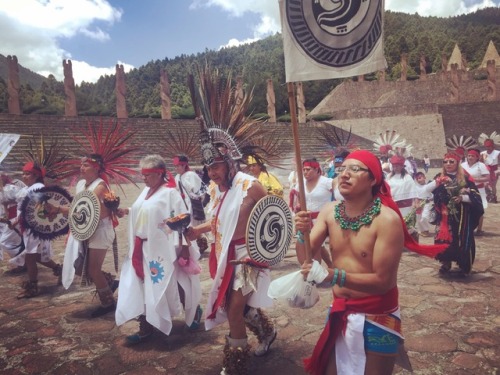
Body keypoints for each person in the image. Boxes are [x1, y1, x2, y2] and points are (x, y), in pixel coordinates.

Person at [295, 150, 446, 375]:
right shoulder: (329, 212)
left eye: (354, 169)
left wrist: (334, 275)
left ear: (373, 179)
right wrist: (301, 234)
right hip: (340, 309)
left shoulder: (386, 220)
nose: (344, 175)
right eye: (342, 169)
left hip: (378, 315)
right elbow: (306, 261)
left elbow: (383, 282)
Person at [184, 66, 279, 375]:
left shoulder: (250, 186)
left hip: (247, 256)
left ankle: (236, 363)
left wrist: (263, 254)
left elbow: (275, 223)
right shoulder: (215, 188)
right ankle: (265, 331)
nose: (212, 174)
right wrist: (193, 229)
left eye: (216, 167)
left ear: (228, 161)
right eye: (208, 169)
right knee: (233, 306)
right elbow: (218, 223)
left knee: (235, 308)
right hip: (223, 254)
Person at [115, 155, 202, 344]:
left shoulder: (170, 193)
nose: (143, 178)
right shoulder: (146, 191)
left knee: (175, 282)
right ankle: (146, 327)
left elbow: (182, 221)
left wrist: (185, 249)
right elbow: (144, 209)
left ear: (159, 173)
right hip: (141, 248)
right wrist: (127, 211)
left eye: (147, 174)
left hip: (165, 247)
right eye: (142, 174)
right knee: (142, 286)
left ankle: (194, 310)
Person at [58, 154, 119, 317]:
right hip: (85, 230)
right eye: (81, 164)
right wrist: (67, 211)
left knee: (92, 269)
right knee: (79, 267)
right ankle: (109, 283)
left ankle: (108, 303)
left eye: (85, 165)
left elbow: (99, 213)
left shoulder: (100, 186)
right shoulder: (80, 185)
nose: (81, 168)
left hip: (100, 232)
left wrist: (62, 211)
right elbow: (78, 208)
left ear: (96, 168)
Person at [427, 151, 484, 276]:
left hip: (461, 217)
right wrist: (438, 183)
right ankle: (445, 262)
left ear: (457, 163)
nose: (448, 164)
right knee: (444, 240)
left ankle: (464, 265)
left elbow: (476, 197)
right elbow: (428, 191)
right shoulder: (439, 176)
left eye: (451, 161)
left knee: (460, 239)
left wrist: (462, 198)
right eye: (445, 162)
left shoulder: (465, 179)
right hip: (444, 216)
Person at [12, 162, 62, 299]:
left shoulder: (38, 187)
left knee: (30, 257)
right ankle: (59, 269)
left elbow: (40, 207)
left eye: (27, 174)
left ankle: (32, 287)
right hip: (28, 227)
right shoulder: (29, 188)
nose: (24, 176)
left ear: (36, 176)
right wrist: (17, 220)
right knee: (37, 257)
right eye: (23, 173)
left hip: (35, 228)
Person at [294, 158, 334, 269]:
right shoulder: (300, 183)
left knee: (317, 244)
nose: (305, 172)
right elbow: (298, 199)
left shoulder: (327, 182)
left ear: (317, 170)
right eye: (304, 170)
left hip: (323, 220)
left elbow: (339, 196)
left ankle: (325, 267)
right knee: (314, 245)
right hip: (306, 220)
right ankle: (323, 267)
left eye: (308, 169)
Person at [173, 154, 208, 252]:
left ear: (184, 165)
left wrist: (196, 199)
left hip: (191, 204)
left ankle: (200, 243)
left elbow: (201, 190)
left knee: (193, 224)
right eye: (175, 166)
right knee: (185, 225)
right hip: (182, 204)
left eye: (178, 166)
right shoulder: (177, 177)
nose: (176, 168)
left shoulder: (191, 175)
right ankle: (191, 246)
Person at [461, 149, 490, 235]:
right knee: (467, 208)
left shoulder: (481, 165)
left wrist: (475, 180)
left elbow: (487, 178)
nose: (470, 157)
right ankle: (467, 227)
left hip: (478, 190)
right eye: (469, 156)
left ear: (477, 157)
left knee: (479, 208)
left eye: (472, 156)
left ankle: (479, 229)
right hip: (466, 190)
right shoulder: (462, 165)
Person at [386, 154, 418, 219]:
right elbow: (386, 189)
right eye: (394, 166)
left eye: (397, 166)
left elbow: (414, 190)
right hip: (392, 206)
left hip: (405, 207)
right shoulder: (388, 177)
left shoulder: (407, 177)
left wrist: (416, 202)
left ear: (402, 166)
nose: (395, 168)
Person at [479, 134, 500, 203]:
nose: (488, 148)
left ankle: (494, 196)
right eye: (486, 146)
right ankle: (488, 195)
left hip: (494, 170)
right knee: (485, 184)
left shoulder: (497, 153)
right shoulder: (483, 153)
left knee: (493, 184)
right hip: (485, 170)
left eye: (489, 146)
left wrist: (498, 170)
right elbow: (481, 162)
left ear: (492, 145)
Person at [414, 171, 434, 237]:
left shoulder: (428, 186)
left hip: (426, 204)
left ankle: (426, 230)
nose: (418, 180)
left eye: (420, 178)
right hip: (419, 204)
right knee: (419, 218)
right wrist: (416, 204)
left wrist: (429, 199)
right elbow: (416, 196)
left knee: (425, 217)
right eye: (417, 179)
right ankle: (423, 231)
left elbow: (432, 196)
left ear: (424, 177)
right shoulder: (416, 187)